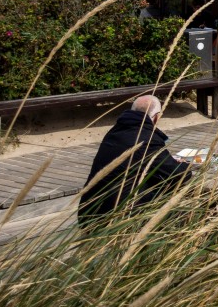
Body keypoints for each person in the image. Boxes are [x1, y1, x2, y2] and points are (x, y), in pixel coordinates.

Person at [79, 94, 190, 224]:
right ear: (156, 117)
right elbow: (178, 174)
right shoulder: (147, 139)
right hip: (117, 217)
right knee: (174, 190)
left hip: (88, 213)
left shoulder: (115, 131)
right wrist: (185, 165)